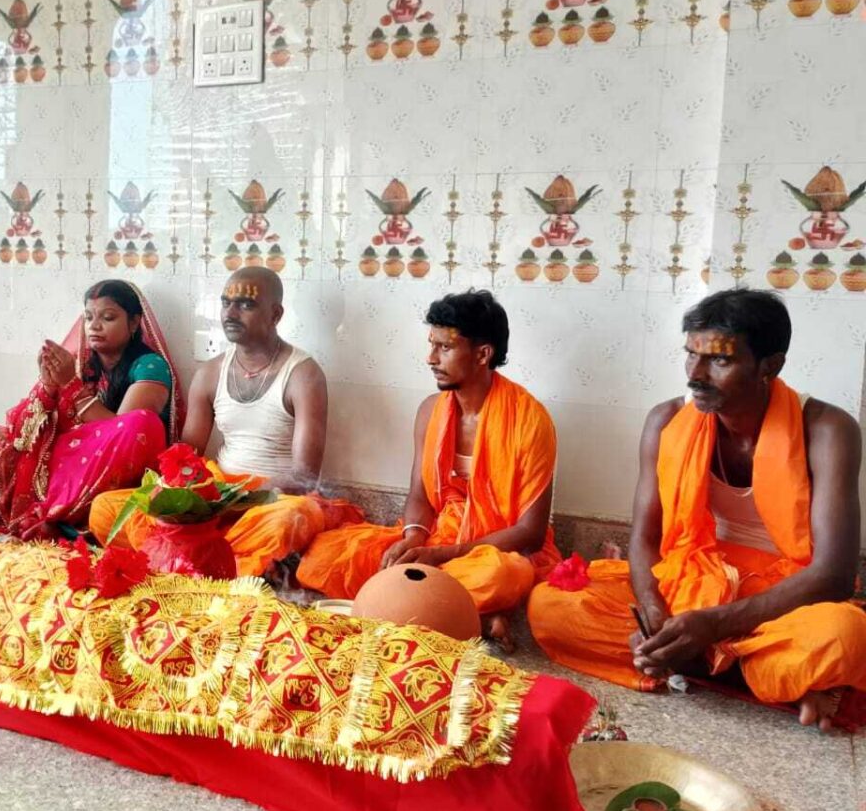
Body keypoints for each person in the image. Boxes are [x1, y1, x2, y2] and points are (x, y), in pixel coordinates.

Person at [528, 289, 866, 731]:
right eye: (691, 355)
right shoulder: (666, 420)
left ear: (770, 366)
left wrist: (713, 625)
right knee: (551, 606)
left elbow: (834, 575)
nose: (696, 375)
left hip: (779, 604)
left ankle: (693, 660)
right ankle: (750, 673)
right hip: (687, 588)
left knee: (844, 635)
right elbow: (645, 538)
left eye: (719, 360)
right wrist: (654, 615)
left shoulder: (826, 428)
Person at [297, 290, 560, 650]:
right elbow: (419, 496)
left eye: (444, 347)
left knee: (503, 575)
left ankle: (410, 603)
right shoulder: (429, 411)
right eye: (431, 345)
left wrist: (442, 557)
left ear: (483, 354)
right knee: (326, 555)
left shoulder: (530, 420)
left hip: (495, 551)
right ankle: (467, 615)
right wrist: (414, 540)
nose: (430, 358)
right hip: (438, 539)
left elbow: (530, 534)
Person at [88, 267, 361, 577]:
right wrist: (187, 497)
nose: (230, 313)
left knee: (290, 519)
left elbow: (304, 477)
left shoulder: (303, 375)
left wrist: (237, 498)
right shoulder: (210, 372)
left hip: (272, 501)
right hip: (217, 496)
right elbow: (188, 454)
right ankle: (217, 559)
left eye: (246, 304)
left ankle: (195, 559)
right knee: (106, 508)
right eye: (226, 302)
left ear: (275, 314)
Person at [0, 279, 181, 541]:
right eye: (89, 317)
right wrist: (48, 386)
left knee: (142, 423)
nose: (94, 326)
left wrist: (70, 386)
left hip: (114, 467)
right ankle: (45, 511)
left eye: (108, 317)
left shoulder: (150, 366)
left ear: (134, 323)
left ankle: (55, 516)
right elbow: (32, 428)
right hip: (71, 457)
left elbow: (121, 433)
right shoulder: (79, 363)